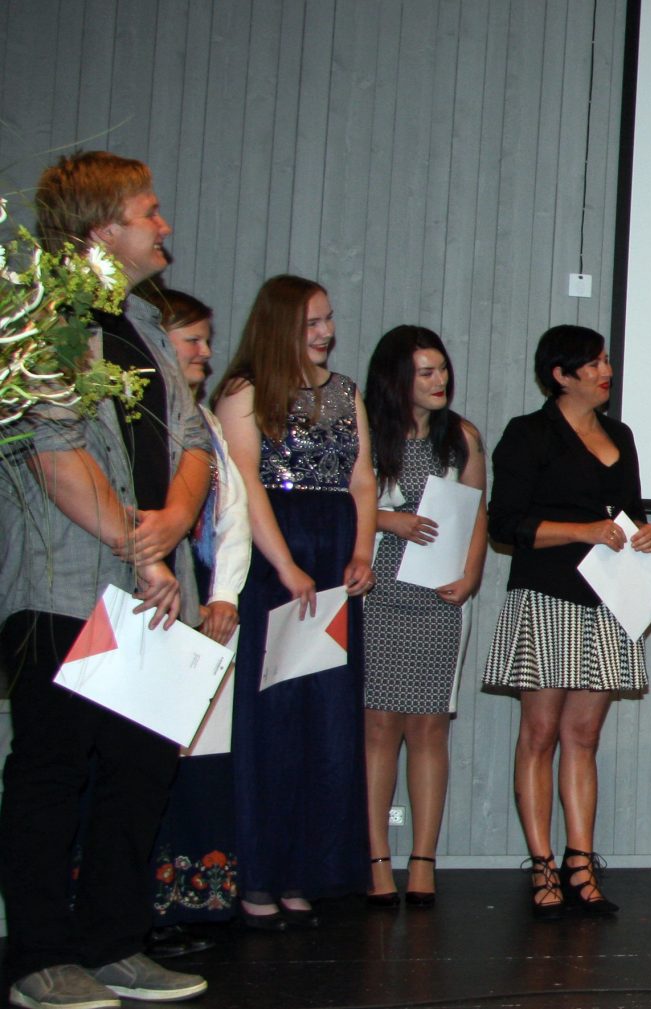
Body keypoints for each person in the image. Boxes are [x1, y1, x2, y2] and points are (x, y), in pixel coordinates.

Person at [0, 151, 209, 1008]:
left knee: (140, 772)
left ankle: (115, 942)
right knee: (51, 774)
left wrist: (174, 521)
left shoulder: (147, 326)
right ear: (101, 229)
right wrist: (140, 545)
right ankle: (39, 959)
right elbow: (56, 456)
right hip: (67, 589)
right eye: (148, 211)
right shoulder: (42, 325)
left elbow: (194, 441)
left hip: (151, 591)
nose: (164, 225)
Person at [213, 274, 378, 929]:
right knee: (273, 724)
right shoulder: (245, 391)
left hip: (333, 559)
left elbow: (362, 481)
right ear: (281, 324)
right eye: (313, 322)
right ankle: (259, 875)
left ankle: (305, 871)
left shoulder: (345, 393)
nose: (326, 332)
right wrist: (284, 565)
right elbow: (244, 484)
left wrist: (361, 552)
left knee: (327, 724)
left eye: (328, 319)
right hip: (274, 560)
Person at [484, 324, 651, 918]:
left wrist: (645, 532)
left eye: (606, 359)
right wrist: (582, 531)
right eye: (594, 362)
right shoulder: (528, 433)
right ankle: (542, 865)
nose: (606, 370)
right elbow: (504, 524)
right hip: (548, 593)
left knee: (583, 738)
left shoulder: (620, 434)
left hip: (608, 599)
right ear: (561, 374)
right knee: (539, 735)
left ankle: (580, 863)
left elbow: (630, 512)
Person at [137, 284, 250, 955]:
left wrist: (226, 593)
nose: (206, 352)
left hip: (201, 604)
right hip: (147, 600)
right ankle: (126, 911)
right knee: (134, 758)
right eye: (192, 340)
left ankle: (181, 901)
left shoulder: (204, 423)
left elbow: (232, 513)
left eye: (207, 340)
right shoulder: (134, 416)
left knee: (190, 759)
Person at [361, 325, 487, 909]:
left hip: (439, 596)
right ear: (397, 379)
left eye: (443, 369)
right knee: (379, 726)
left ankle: (423, 860)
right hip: (379, 590)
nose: (440, 381)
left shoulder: (461, 436)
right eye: (425, 372)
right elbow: (343, 501)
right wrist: (389, 520)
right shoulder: (367, 431)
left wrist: (471, 574)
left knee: (430, 727)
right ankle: (375, 858)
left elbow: (477, 512)